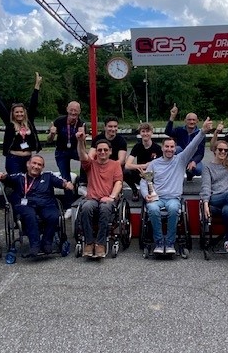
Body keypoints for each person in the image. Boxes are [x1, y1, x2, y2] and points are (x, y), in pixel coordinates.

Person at [141, 117, 213, 254]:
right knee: (153, 209)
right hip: (157, 198)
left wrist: (202, 132)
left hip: (173, 198)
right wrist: (146, 195)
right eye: (167, 147)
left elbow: (192, 146)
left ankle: (169, 243)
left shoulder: (180, 160)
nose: (169, 149)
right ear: (162, 148)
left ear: (175, 148)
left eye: (172, 147)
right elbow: (144, 181)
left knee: (174, 209)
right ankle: (159, 242)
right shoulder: (154, 164)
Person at [0, 154, 73, 256]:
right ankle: (35, 245)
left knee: (54, 215)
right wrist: (3, 177)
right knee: (30, 215)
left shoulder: (48, 176)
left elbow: (60, 182)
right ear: (28, 164)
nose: (36, 166)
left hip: (46, 204)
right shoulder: (20, 177)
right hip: (26, 206)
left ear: (42, 167)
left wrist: (66, 184)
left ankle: (46, 242)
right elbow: (8, 179)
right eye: (34, 163)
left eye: (39, 165)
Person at [0, 72, 42, 175]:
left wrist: (37, 86)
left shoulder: (29, 122)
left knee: (27, 182)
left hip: (28, 159)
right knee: (16, 182)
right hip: (14, 159)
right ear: (13, 114)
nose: (19, 114)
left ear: (24, 113)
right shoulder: (10, 123)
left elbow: (33, 104)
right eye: (17, 112)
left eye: (21, 112)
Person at [76, 129, 123, 259]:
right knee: (86, 207)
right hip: (92, 198)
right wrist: (80, 141)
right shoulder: (90, 164)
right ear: (96, 152)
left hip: (108, 198)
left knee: (105, 208)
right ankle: (89, 242)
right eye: (100, 150)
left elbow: (118, 182)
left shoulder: (115, 165)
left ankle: (100, 243)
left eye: (105, 150)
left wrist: (111, 197)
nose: (102, 152)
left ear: (110, 151)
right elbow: (82, 154)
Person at [47, 100, 86, 218]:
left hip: (75, 150)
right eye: (71, 110)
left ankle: (82, 182)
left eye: (76, 110)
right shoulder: (59, 121)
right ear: (67, 110)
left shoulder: (82, 123)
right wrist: (52, 133)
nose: (73, 112)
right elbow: (49, 140)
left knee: (87, 160)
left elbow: (83, 147)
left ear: (79, 111)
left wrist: (82, 139)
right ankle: (69, 206)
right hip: (61, 151)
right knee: (66, 178)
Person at [164, 104, 205, 181]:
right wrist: (172, 117)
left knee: (199, 170)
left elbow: (200, 153)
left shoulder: (200, 134)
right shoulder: (179, 130)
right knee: (177, 148)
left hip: (192, 157)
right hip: (180, 156)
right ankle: (174, 175)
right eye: (189, 120)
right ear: (185, 121)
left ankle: (190, 173)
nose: (191, 122)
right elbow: (168, 132)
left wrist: (194, 162)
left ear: (197, 121)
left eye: (194, 120)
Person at [124, 122, 162, 202]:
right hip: (140, 174)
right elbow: (127, 165)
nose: (145, 134)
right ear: (140, 133)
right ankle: (135, 190)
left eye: (147, 131)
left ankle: (153, 191)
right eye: (143, 131)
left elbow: (161, 166)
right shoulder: (137, 146)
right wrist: (143, 166)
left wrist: (149, 171)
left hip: (153, 176)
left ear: (151, 132)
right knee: (125, 172)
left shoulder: (158, 148)